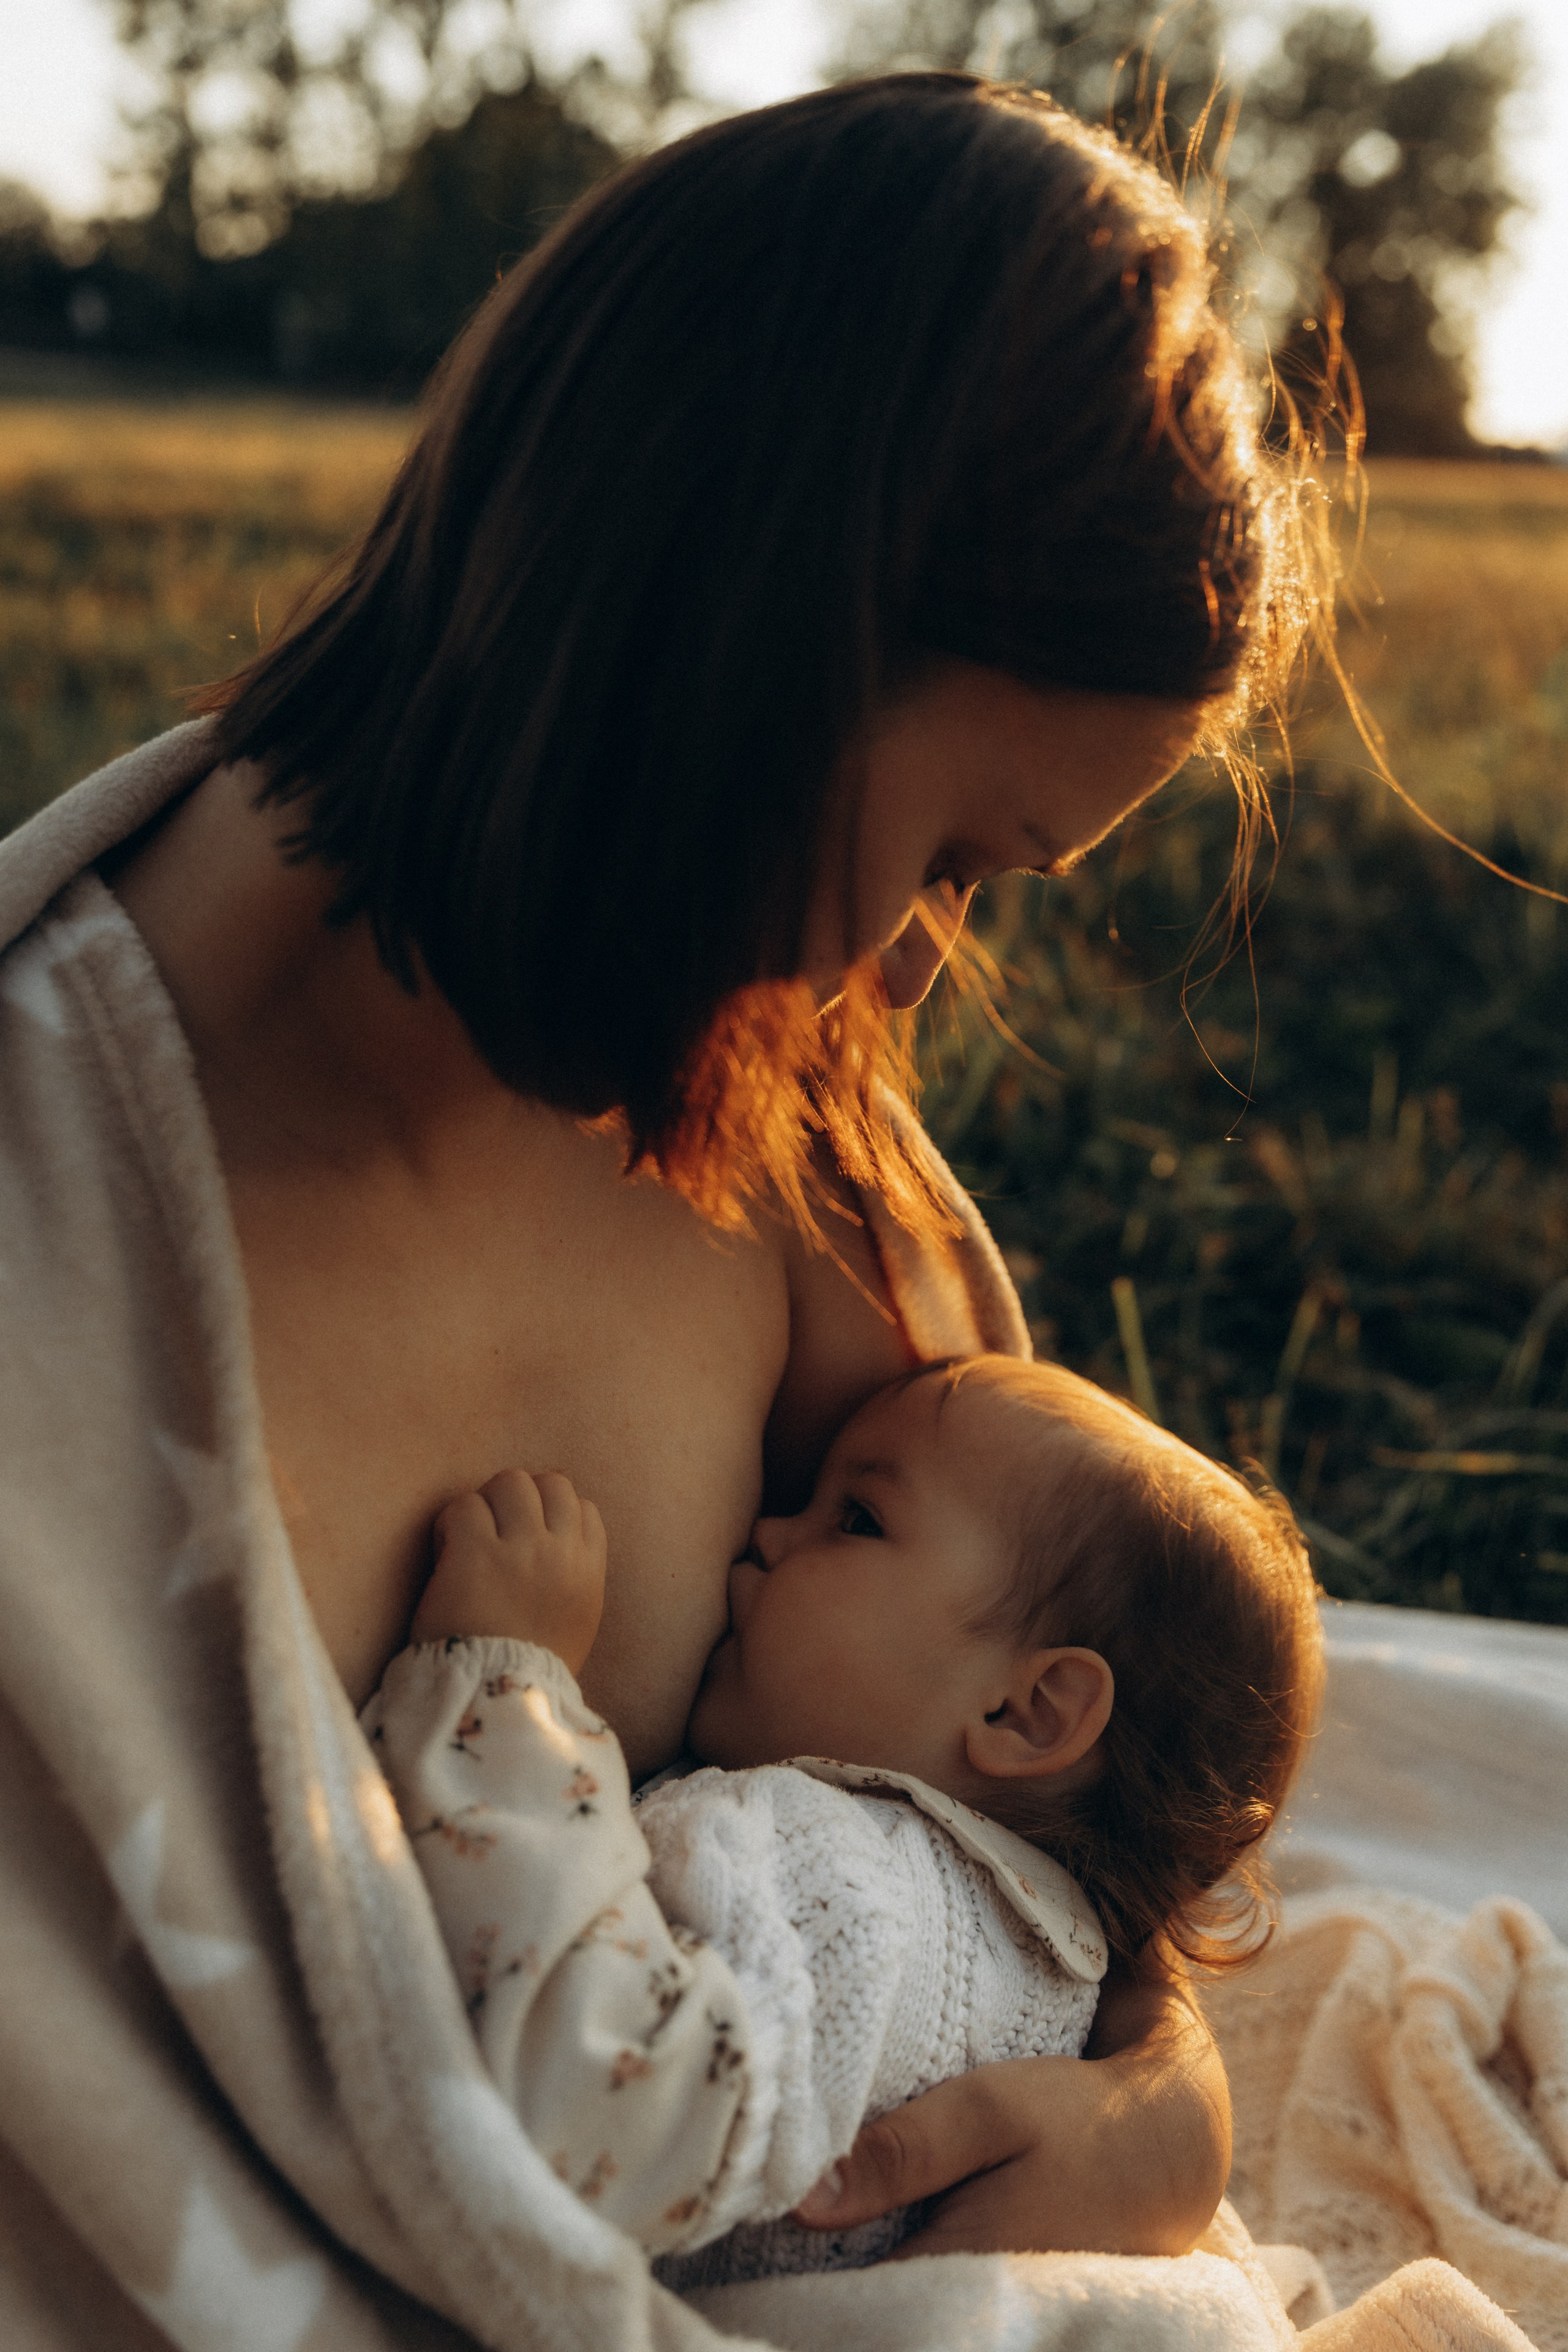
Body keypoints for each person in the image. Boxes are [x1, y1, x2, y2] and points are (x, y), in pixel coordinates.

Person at [0, 70, 1326, 2350]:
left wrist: (1160, 2125)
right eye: (945, 865)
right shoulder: (63, 1210)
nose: (919, 977)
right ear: (734, 665)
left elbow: (1036, 1837)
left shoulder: (767, 1135)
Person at [367, 1353, 1324, 2292]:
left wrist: (503, 1691)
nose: (767, 1533)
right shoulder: (1036, 1964)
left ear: (1025, 1714)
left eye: (856, 1519)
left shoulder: (849, 1885)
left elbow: (601, 2114)